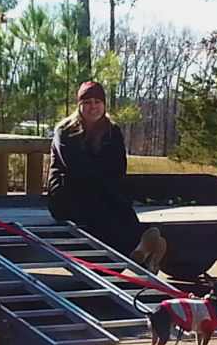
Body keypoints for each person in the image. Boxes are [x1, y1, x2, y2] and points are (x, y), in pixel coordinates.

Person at [46, 80, 144, 256]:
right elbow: (76, 168)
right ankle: (129, 255)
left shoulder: (112, 131)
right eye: (87, 102)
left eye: (97, 102)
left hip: (100, 189)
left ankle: (140, 250)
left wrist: (100, 174)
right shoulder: (65, 131)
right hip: (67, 193)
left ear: (104, 105)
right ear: (79, 105)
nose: (93, 107)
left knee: (124, 210)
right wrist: (101, 170)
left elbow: (119, 167)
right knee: (105, 215)